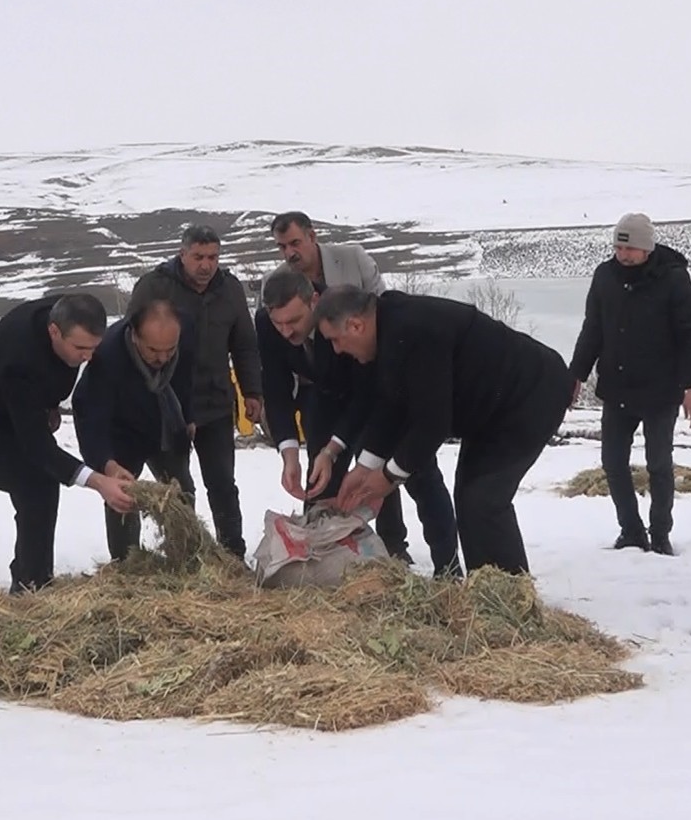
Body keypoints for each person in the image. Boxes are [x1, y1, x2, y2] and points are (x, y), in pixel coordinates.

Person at [322, 285, 571, 575]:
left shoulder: (413, 330)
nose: (337, 350)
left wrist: (389, 476)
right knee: (470, 501)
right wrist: (366, 468)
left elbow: (431, 423)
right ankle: (487, 592)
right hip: (490, 411)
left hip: (530, 395)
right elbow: (393, 405)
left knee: (483, 501)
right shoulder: (390, 327)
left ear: (356, 325)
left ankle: (510, 600)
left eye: (336, 340)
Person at [255, 267, 462, 576]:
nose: (286, 332)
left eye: (294, 321)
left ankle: (448, 568)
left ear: (314, 300)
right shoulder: (267, 324)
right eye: (278, 323)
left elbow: (367, 393)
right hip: (325, 402)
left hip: (381, 397)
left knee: (417, 474)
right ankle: (326, 568)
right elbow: (275, 385)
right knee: (323, 485)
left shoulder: (341, 312)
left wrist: (344, 451)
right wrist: (290, 451)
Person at [0, 292, 137, 594]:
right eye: (80, 348)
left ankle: (36, 579)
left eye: (94, 348)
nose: (88, 357)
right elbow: (36, 446)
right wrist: (98, 481)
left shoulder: (69, 314)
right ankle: (31, 586)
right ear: (54, 331)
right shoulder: (20, 360)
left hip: (19, 410)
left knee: (41, 484)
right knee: (36, 483)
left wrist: (49, 405)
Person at [568, 213, 691, 556]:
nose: (623, 254)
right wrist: (576, 375)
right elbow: (593, 330)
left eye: (630, 248)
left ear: (647, 248)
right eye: (618, 246)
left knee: (659, 463)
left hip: (661, 389)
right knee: (613, 462)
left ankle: (660, 533)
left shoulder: (674, 279)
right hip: (617, 386)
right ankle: (630, 531)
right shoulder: (604, 277)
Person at [128, 225, 261, 557]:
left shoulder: (229, 288)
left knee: (222, 484)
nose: (206, 265)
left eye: (213, 257)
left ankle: (232, 555)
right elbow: (129, 345)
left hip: (215, 403)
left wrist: (253, 392)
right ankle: (184, 555)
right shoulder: (154, 287)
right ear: (182, 253)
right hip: (165, 406)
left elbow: (244, 345)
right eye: (198, 257)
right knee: (177, 489)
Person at [71, 278, 199, 561]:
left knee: (181, 490)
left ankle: (185, 556)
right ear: (135, 335)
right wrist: (107, 463)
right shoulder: (107, 357)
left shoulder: (185, 330)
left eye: (170, 350)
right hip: (120, 428)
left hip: (165, 421)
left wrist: (188, 416)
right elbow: (92, 418)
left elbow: (186, 375)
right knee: (123, 496)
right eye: (153, 350)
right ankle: (127, 561)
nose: (163, 358)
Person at [270, 210, 387, 292]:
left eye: (295, 243)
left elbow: (382, 307)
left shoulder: (354, 259)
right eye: (282, 247)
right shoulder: (274, 282)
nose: (289, 253)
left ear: (311, 236)